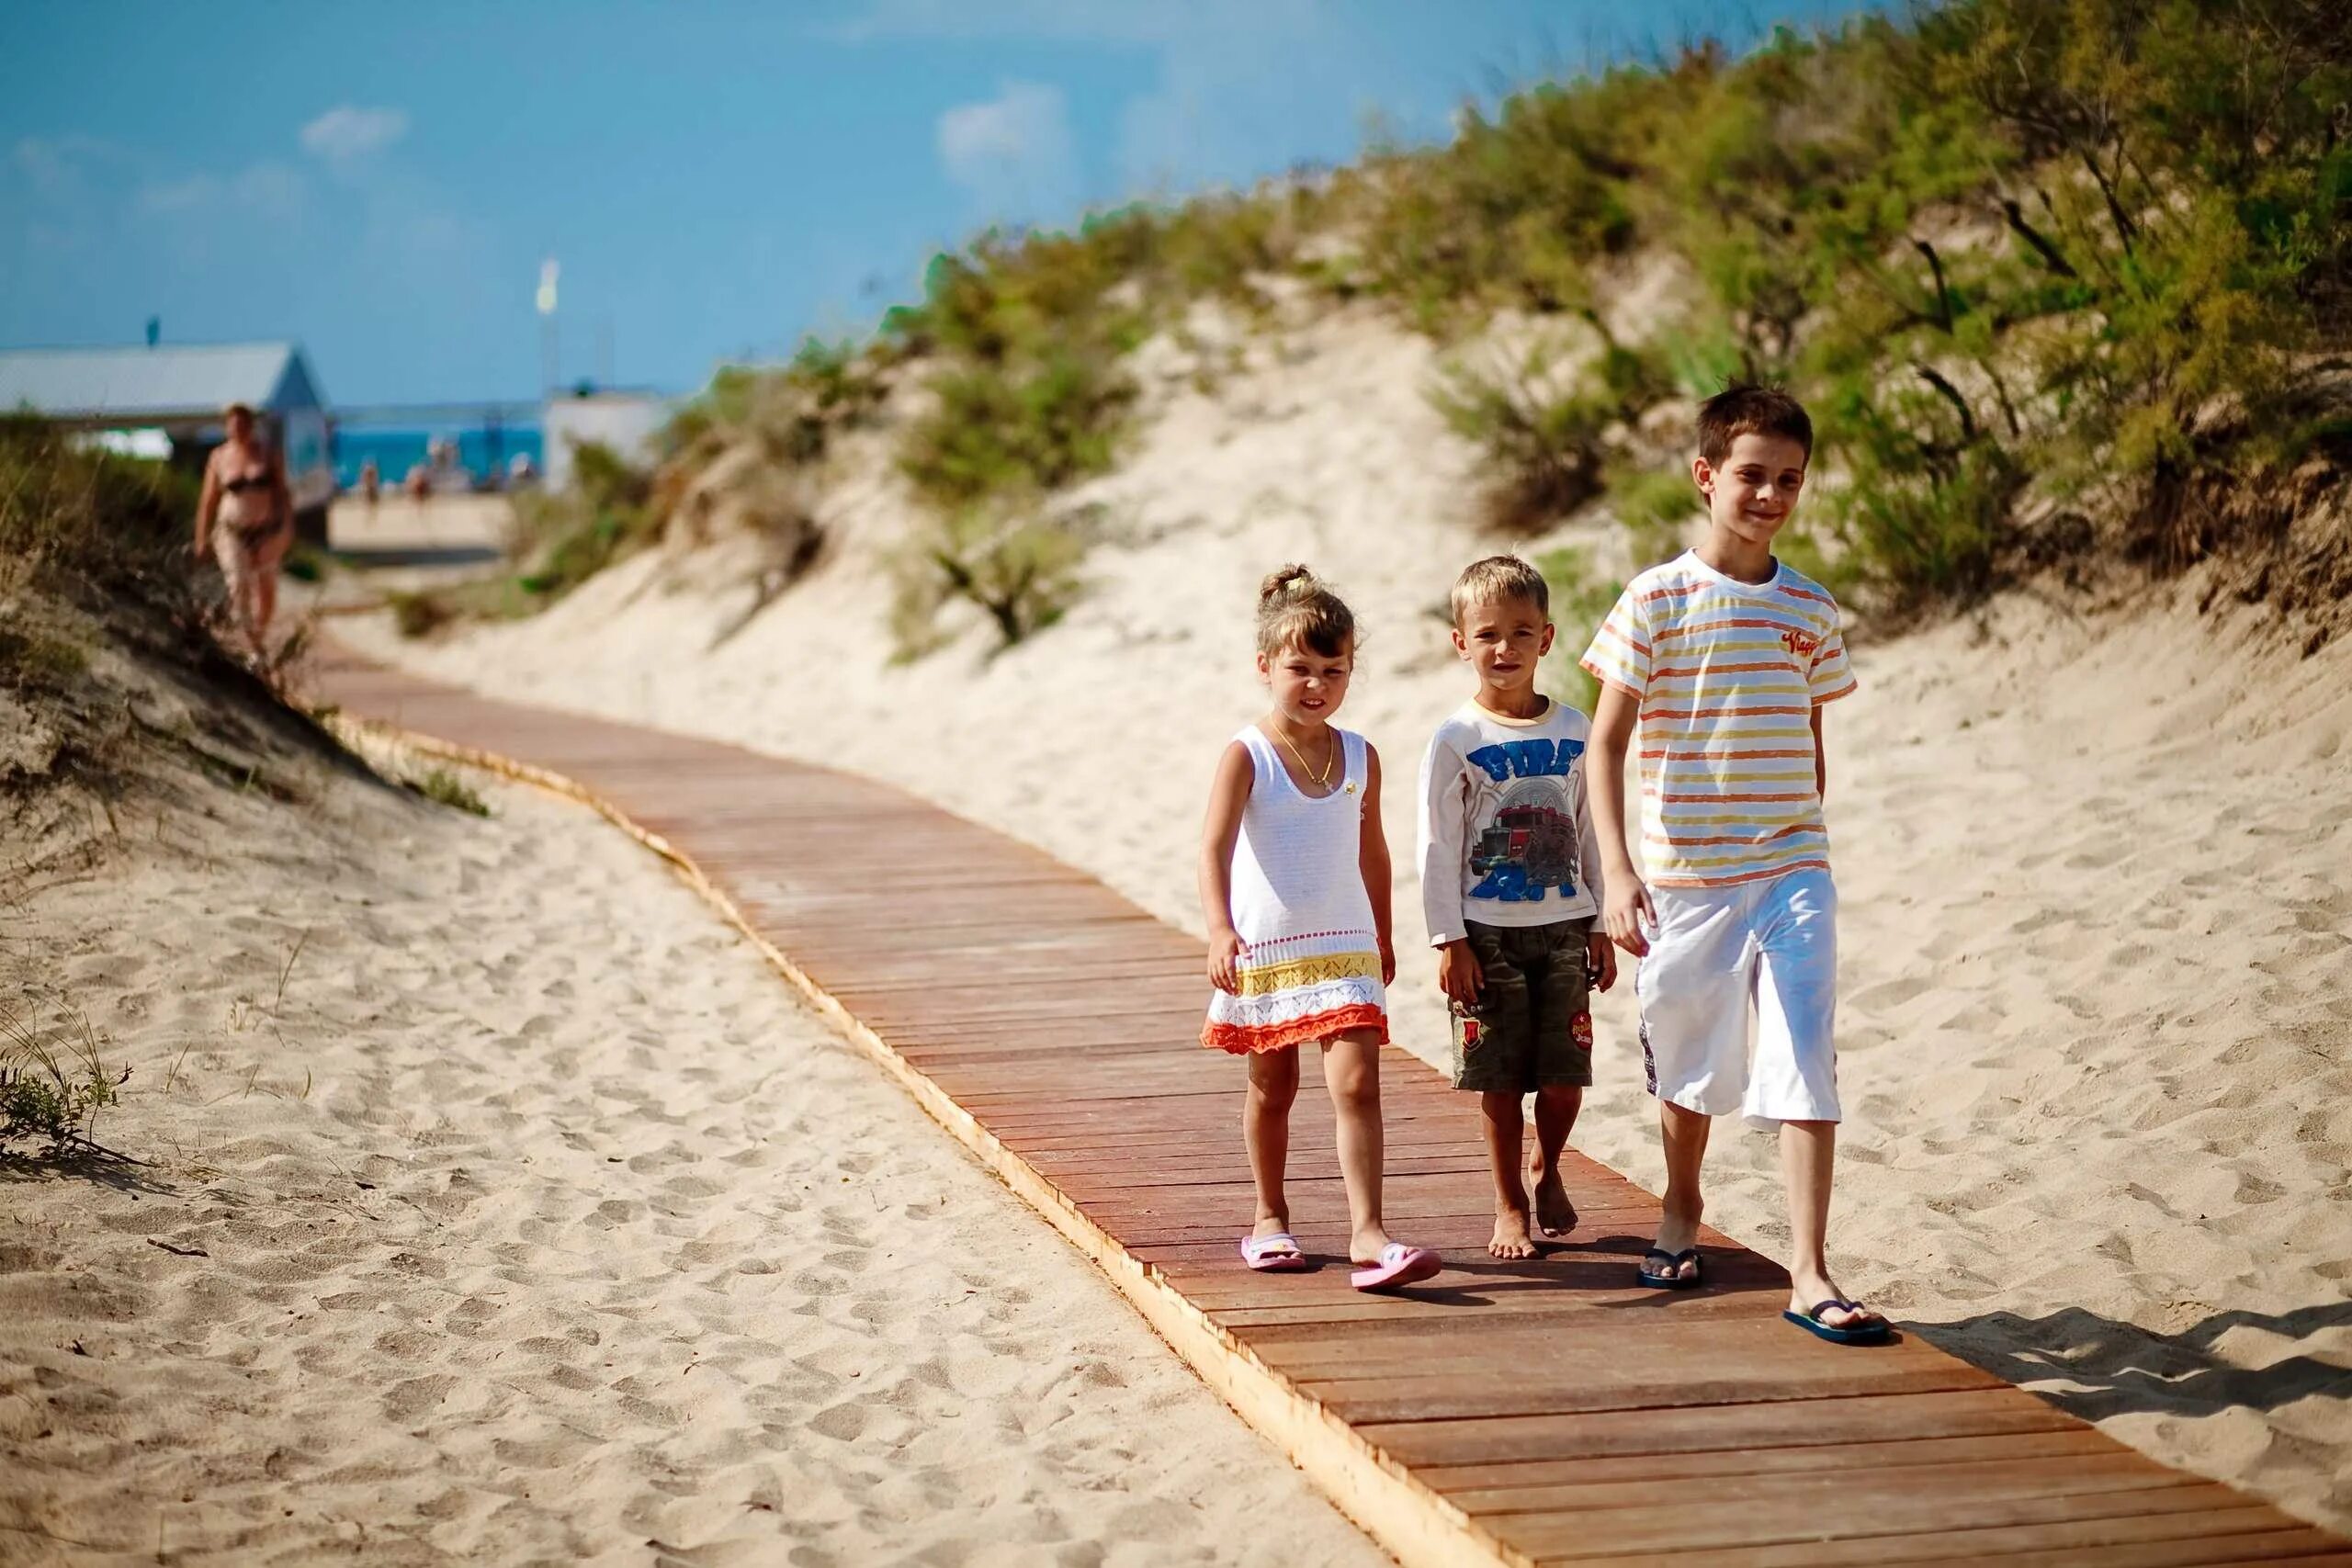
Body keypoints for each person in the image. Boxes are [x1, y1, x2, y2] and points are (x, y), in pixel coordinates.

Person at [1580, 383, 1889, 1344]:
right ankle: (1680, 1210)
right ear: (1706, 475)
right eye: (1751, 476)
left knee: (1804, 1055)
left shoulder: (1808, 604)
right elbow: (1603, 745)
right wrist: (1621, 875)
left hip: (1793, 868)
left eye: (1788, 480)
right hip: (1684, 877)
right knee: (1690, 1055)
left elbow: (1809, 724)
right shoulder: (1655, 598)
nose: (1769, 496)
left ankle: (1809, 1269)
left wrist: (1800, 831)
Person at [1200, 566, 1441, 1292]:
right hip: (1266, 948)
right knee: (1274, 1087)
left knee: (1359, 1083)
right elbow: (1212, 844)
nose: (1316, 685)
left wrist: (1385, 932)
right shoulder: (1249, 753)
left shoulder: (1361, 754)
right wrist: (1219, 928)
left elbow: (1373, 849)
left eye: (1333, 670)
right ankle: (1269, 1215)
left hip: (1346, 945)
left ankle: (1369, 1232)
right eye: (1300, 668)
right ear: (1265, 666)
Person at [1419, 556, 1616, 1260]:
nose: (1504, 649)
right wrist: (1450, 939)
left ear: (1548, 637)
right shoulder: (1457, 739)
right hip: (1486, 932)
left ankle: (1549, 1163)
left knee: (1565, 1081)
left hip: (1565, 928)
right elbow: (1438, 846)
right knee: (1499, 1082)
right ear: (1461, 642)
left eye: (1521, 632)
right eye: (1488, 634)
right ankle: (1509, 1206)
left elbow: (1592, 827)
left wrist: (1599, 923)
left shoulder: (1575, 728)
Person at [194, 402, 293, 657]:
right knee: (239, 586)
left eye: (244, 423)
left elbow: (283, 493)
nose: (239, 428)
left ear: (251, 425)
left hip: (266, 531)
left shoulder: (268, 454)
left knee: (267, 592)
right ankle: (254, 648)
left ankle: (257, 633)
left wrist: (285, 528)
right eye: (233, 423)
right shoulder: (219, 457)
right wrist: (201, 537)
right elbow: (208, 500)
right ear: (227, 426)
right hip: (232, 531)